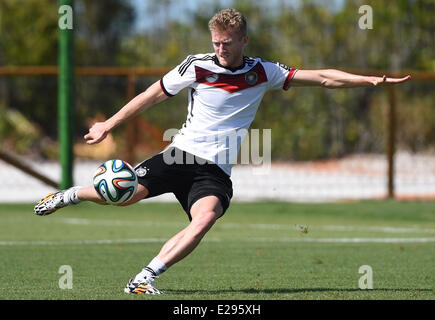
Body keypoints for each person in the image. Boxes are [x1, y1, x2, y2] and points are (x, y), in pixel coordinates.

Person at [34, 8, 410, 295]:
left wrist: (369, 80)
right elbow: (150, 96)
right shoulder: (196, 67)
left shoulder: (264, 72)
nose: (220, 48)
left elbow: (324, 76)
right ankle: (69, 194)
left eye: (227, 42)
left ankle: (143, 278)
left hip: (214, 170)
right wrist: (107, 125)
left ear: (244, 40)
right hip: (179, 154)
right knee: (125, 196)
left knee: (204, 218)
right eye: (216, 42)